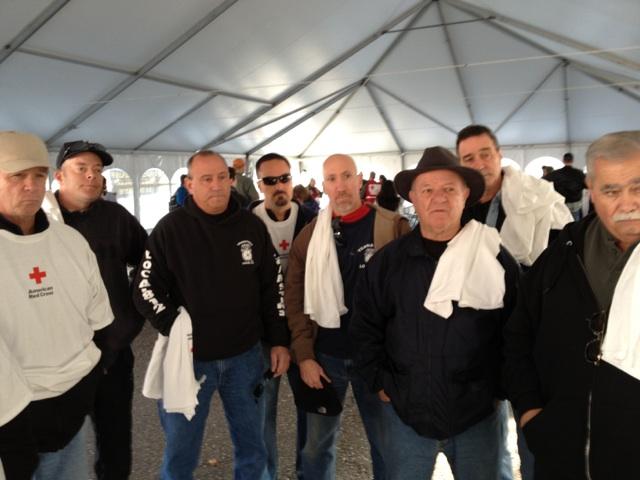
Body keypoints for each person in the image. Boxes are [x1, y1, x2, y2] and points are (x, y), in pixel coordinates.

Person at [350, 146, 520, 480]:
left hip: (477, 417)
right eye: (427, 190)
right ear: (413, 197)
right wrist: (381, 383)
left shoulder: (494, 258)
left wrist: (499, 389)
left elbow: (516, 330)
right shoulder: (388, 263)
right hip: (405, 413)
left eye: (449, 189)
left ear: (465, 194)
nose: (438, 198)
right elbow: (365, 327)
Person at [133, 150, 290, 480]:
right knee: (180, 453)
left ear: (232, 180)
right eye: (206, 179)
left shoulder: (252, 226)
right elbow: (144, 288)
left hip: (245, 358)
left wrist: (279, 340)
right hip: (188, 360)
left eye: (221, 177)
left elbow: (272, 287)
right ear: (189, 185)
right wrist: (176, 326)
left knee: (253, 448)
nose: (216, 185)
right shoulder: (170, 229)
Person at [504, 130, 640, 480]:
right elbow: (518, 334)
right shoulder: (563, 252)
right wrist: (530, 411)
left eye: (638, 187)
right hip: (561, 456)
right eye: (611, 191)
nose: (628, 204)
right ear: (591, 191)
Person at [456, 125, 573, 480]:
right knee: (485, 438)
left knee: (533, 431)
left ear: (499, 154)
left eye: (485, 154)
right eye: (469, 158)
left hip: (530, 333)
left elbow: (565, 261)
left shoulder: (535, 198)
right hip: (479, 336)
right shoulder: (458, 205)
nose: (479, 163)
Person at [285, 154, 410, 480]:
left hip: (378, 359)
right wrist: (305, 356)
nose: (340, 186)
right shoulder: (310, 237)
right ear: (324, 186)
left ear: (359, 181)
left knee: (387, 445)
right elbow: (295, 299)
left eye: (346, 176)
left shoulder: (392, 227)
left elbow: (411, 300)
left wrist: (399, 362)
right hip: (326, 358)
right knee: (316, 447)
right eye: (331, 179)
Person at [0, 131, 113, 479]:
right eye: (17, 176)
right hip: (11, 421)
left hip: (71, 409)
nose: (31, 186)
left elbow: (99, 318)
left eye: (38, 175)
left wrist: (88, 383)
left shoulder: (70, 241)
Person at [50, 140, 148, 480]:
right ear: (59, 176)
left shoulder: (116, 218)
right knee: (58, 446)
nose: (92, 176)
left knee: (115, 441)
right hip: (59, 355)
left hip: (112, 352)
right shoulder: (41, 220)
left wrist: (131, 312)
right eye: (82, 169)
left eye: (97, 170)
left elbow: (149, 261)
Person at [250, 152, 316, 480]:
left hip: (307, 333)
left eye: (285, 178)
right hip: (264, 336)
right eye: (270, 180)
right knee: (263, 414)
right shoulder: (247, 224)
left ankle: (307, 473)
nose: (279, 186)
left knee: (312, 413)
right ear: (259, 185)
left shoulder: (313, 220)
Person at [544, 152, 587, 221]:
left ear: (563, 160)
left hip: (561, 203)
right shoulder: (579, 173)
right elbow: (587, 185)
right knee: (575, 223)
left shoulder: (556, 174)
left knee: (561, 223)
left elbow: (544, 182)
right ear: (572, 161)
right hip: (575, 204)